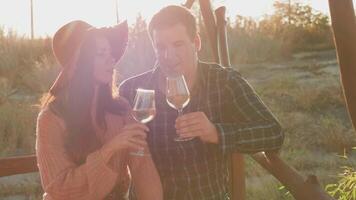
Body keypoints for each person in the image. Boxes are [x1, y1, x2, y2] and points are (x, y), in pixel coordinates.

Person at [119, 5, 284, 199]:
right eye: (161, 47)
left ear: (196, 42)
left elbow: (273, 133)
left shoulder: (223, 82)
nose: (168, 56)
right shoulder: (131, 90)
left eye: (178, 44)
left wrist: (216, 133)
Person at [36, 20, 162, 200]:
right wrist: (109, 150)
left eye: (110, 53)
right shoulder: (50, 119)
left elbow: (141, 165)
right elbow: (60, 188)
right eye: (101, 53)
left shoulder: (122, 109)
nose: (111, 59)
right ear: (79, 63)